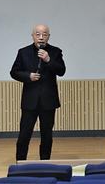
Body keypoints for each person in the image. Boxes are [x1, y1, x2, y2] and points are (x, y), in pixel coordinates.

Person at [10, 24, 66, 160]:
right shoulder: (23, 52)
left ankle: (45, 162)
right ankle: (20, 162)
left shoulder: (55, 52)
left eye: (44, 34)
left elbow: (61, 71)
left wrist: (48, 60)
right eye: (38, 34)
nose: (41, 37)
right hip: (30, 100)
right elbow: (14, 72)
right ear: (33, 36)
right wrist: (27, 76)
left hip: (48, 101)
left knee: (47, 135)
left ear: (48, 36)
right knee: (24, 134)